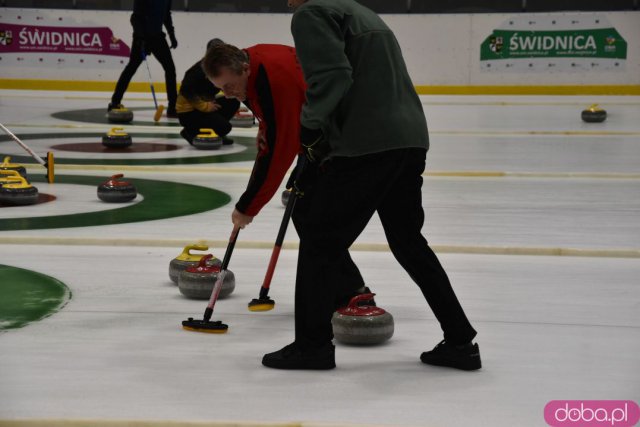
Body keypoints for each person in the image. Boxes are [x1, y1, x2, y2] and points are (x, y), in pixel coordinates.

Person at [258, 0, 481, 371]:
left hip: (368, 144)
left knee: (318, 238)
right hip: (408, 138)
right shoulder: (360, 13)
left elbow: (331, 76)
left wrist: (311, 128)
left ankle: (312, 345)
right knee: (409, 242)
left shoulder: (312, 14)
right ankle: (460, 340)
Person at [201, 42, 375, 311]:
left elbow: (279, 152)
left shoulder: (275, 80)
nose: (227, 93)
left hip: (349, 136)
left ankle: (351, 290)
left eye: (229, 85)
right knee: (307, 211)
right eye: (221, 87)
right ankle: (344, 288)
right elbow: (280, 121)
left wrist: (248, 206)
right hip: (322, 132)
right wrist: (265, 125)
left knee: (312, 214)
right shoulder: (251, 63)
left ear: (244, 69)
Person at [108, 0, 178, 117]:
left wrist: (171, 34)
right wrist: (140, 37)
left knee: (170, 69)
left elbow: (166, 15)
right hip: (142, 37)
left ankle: (172, 107)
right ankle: (115, 102)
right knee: (131, 68)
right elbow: (135, 18)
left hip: (157, 37)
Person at [177, 39, 240, 145]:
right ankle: (189, 131)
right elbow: (186, 91)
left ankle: (216, 128)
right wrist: (205, 107)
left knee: (233, 101)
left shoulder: (218, 69)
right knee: (225, 127)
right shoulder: (198, 70)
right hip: (189, 113)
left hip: (204, 105)